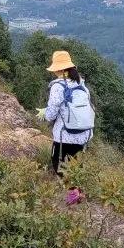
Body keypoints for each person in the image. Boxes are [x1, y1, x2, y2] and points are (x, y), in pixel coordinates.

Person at [38, 51, 94, 195]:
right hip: (83, 136)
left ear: (59, 69)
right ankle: (77, 197)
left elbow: (51, 114)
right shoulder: (82, 85)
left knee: (59, 167)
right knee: (76, 169)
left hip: (64, 136)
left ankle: (71, 200)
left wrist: (45, 113)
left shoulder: (58, 86)